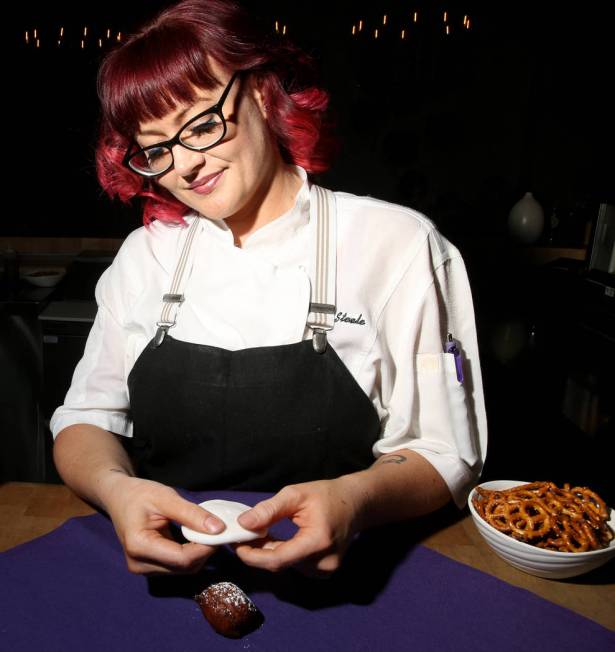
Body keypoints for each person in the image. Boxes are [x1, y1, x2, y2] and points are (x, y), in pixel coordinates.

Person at [51, 0, 487, 578]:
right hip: (170, 572)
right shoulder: (148, 256)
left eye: (202, 124)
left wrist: (355, 501)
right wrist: (116, 491)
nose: (184, 166)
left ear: (260, 94)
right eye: (156, 149)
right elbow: (85, 421)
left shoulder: (398, 245)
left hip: (346, 575)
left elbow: (443, 451)